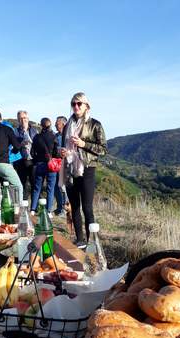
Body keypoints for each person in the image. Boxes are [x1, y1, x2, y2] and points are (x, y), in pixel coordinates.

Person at [60, 92, 107, 246]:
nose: (76, 106)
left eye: (79, 103)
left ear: (87, 106)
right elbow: (63, 146)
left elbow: (103, 149)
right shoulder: (67, 125)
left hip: (87, 169)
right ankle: (80, 240)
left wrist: (83, 144)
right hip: (69, 168)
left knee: (87, 208)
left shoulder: (95, 124)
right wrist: (61, 152)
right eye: (73, 103)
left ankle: (92, 242)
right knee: (74, 206)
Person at [30, 118, 59, 215]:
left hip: (39, 164)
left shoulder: (37, 137)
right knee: (50, 188)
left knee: (37, 188)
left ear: (41, 125)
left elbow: (32, 153)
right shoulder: (54, 137)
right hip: (51, 165)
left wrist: (37, 160)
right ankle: (48, 211)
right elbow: (56, 152)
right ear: (50, 125)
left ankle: (33, 209)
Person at [12, 110, 37, 200]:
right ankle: (23, 203)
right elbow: (13, 149)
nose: (23, 120)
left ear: (28, 118)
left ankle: (35, 206)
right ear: (18, 120)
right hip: (20, 160)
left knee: (34, 183)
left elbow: (38, 145)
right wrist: (20, 144)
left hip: (33, 160)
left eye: (24, 118)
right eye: (20, 118)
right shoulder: (15, 132)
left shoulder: (34, 130)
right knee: (22, 184)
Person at [54, 116, 67, 215]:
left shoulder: (68, 137)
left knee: (63, 187)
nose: (55, 125)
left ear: (63, 124)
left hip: (65, 165)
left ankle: (65, 208)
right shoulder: (55, 136)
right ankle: (59, 207)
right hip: (56, 164)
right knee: (56, 186)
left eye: (57, 123)